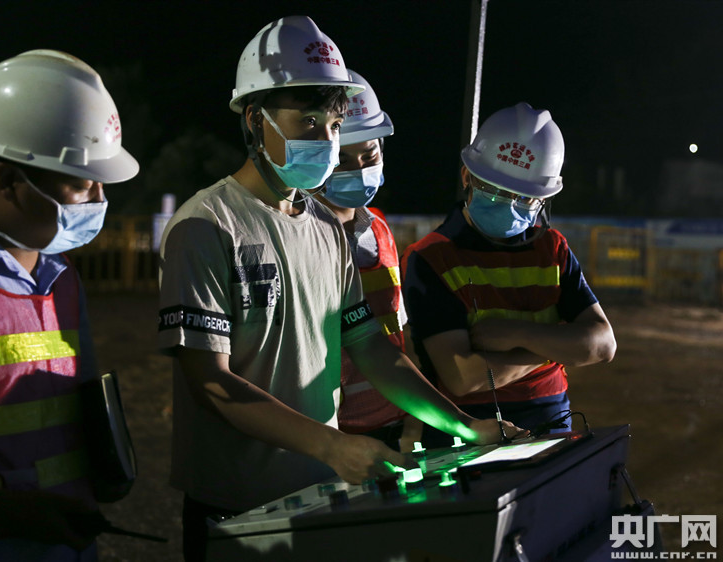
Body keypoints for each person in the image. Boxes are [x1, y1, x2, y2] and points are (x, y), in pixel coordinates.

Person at [158, 16, 524, 559]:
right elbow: (210, 381)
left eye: (331, 124)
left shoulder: (327, 228)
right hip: (236, 504)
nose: (325, 141)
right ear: (256, 120)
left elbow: (370, 345)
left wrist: (466, 426)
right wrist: (332, 445)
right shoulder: (206, 227)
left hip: (319, 492)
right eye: (307, 121)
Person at [0, 50, 139, 561]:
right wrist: (11, 513)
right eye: (80, 183)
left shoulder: (60, 279)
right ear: (7, 182)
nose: (98, 199)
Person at [402, 102, 617, 448]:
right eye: (498, 191)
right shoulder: (430, 259)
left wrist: (517, 333)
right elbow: (463, 377)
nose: (511, 203)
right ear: (467, 178)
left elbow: (603, 345)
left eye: (526, 197)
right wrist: (558, 346)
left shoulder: (552, 248)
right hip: (467, 432)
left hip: (554, 423)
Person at [314, 69, 420, 452]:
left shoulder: (380, 229)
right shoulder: (299, 232)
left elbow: (398, 332)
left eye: (369, 154)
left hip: (392, 422)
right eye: (342, 158)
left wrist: (413, 418)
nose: (358, 169)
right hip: (329, 435)